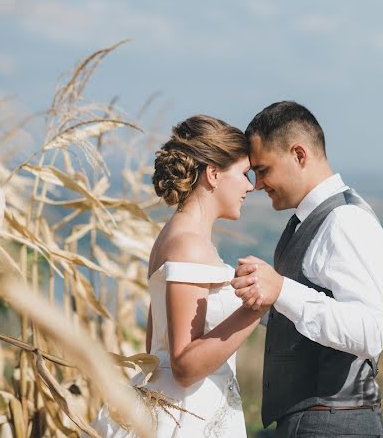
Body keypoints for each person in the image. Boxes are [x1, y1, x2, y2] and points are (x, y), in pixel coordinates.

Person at [92, 115, 263, 437]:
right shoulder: (189, 245)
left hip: (174, 402)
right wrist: (257, 306)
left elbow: (155, 345)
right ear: (213, 174)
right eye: (243, 173)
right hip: (188, 414)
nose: (250, 186)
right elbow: (183, 366)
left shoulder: (175, 235)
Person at [231, 101, 383, 437]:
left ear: (299, 155)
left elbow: (370, 332)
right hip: (312, 422)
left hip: (336, 423)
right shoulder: (307, 222)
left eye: (263, 170)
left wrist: (283, 291)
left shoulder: (345, 220)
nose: (258, 184)